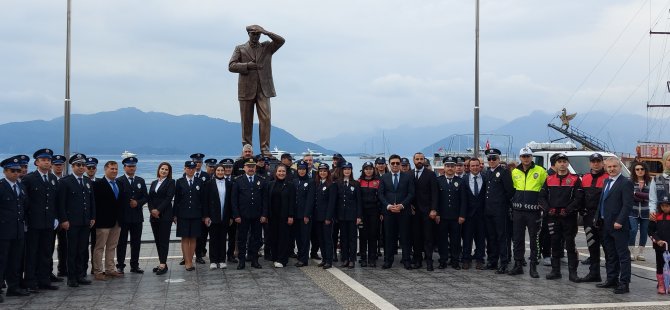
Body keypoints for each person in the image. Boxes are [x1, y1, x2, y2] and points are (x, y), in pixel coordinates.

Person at [229, 24, 285, 155]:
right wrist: (247, 65)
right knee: (246, 120)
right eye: (253, 34)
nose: (255, 36)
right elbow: (231, 66)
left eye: (258, 34)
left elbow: (281, 41)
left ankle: (265, 149)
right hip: (246, 89)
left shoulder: (266, 47)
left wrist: (266, 32)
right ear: (248, 34)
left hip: (264, 89)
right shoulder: (240, 48)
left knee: (266, 118)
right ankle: (247, 149)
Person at [538, 154, 583, 282]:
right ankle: (555, 271)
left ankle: (572, 273)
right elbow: (541, 197)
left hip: (568, 217)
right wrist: (548, 209)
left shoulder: (575, 179)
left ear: (567, 163)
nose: (562, 164)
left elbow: (578, 198)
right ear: (555, 164)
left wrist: (567, 210)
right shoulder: (549, 179)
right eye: (559, 162)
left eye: (564, 161)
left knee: (570, 244)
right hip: (553, 217)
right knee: (555, 243)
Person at [21, 149, 59, 292]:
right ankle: (30, 281)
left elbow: (55, 201)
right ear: (37, 162)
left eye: (48, 160)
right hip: (33, 222)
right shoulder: (29, 179)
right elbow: (24, 202)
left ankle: (44, 280)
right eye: (43, 160)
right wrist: (25, 220)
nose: (47, 162)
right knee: (32, 253)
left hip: (48, 222)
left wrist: (56, 217)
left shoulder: (53, 179)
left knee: (46, 252)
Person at [596, 157, 634, 294]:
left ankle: (624, 283)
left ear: (619, 167)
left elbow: (627, 205)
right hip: (606, 224)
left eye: (614, 166)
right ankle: (612, 279)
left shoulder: (626, 183)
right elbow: (602, 202)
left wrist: (620, 220)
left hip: (619, 225)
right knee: (610, 254)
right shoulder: (606, 181)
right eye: (609, 167)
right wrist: (598, 218)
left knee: (623, 255)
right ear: (605, 168)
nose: (612, 169)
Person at [57, 153, 96, 288]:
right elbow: (61, 203)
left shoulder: (87, 181)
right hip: (72, 222)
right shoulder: (65, 182)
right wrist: (63, 220)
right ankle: (71, 277)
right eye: (78, 165)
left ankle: (80, 275)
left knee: (82, 249)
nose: (81, 167)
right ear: (72, 166)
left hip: (85, 221)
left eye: (83, 165)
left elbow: (91, 201)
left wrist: (92, 217)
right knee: (71, 250)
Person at [509, 147, 547, 278]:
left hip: (533, 212)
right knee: (517, 239)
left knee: (534, 239)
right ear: (520, 158)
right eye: (523, 156)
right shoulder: (514, 172)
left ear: (532, 157)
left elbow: (545, 190)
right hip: (518, 211)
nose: (526, 159)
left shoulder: (540, 171)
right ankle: (518, 264)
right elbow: (512, 190)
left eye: (528, 156)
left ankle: (533, 266)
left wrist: (542, 205)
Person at [0, 156, 29, 300]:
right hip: (4, 231)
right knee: (2, 260)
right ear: (5, 171)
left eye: (18, 171)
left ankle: (13, 287)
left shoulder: (21, 187)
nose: (16, 173)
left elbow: (24, 207)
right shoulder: (1, 186)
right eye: (13, 170)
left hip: (18, 230)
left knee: (15, 260)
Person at [576, 153, 609, 283]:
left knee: (607, 247)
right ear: (590, 163)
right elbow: (581, 197)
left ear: (602, 163)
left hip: (603, 217)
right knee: (592, 246)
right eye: (593, 161)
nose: (596, 163)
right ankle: (594, 273)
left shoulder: (608, 178)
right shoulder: (585, 178)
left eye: (598, 161)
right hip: (588, 217)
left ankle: (611, 276)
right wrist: (580, 210)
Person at [379, 154, 415, 270]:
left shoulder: (408, 177)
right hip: (389, 212)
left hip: (403, 212)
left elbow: (411, 193)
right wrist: (389, 206)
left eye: (397, 163)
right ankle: (388, 260)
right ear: (389, 165)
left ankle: (406, 260)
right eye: (393, 163)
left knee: (405, 237)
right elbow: (381, 194)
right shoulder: (384, 177)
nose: (395, 165)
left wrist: (402, 205)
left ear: (400, 164)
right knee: (389, 237)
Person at [482, 148, 515, 274]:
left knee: (502, 237)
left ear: (498, 159)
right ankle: (492, 261)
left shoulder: (504, 172)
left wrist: (502, 203)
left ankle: (504, 263)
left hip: (500, 211)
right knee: (491, 237)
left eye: (494, 158)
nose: (491, 161)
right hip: (488, 210)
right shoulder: (487, 173)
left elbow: (510, 191)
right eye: (489, 159)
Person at [232, 158, 269, 269]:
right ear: (244, 168)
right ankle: (241, 260)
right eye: (249, 166)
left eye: (253, 166)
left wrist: (264, 214)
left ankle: (254, 260)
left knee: (256, 239)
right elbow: (234, 200)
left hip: (257, 216)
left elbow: (265, 200)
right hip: (243, 216)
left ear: (255, 167)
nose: (251, 168)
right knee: (242, 239)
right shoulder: (238, 180)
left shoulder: (261, 180)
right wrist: (236, 215)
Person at [91, 161, 124, 281]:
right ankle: (98, 271)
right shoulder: (98, 184)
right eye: (112, 169)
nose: (114, 171)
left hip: (117, 221)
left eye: (116, 169)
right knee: (99, 247)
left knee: (112, 246)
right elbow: (94, 203)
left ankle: (110, 269)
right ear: (105, 170)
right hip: (103, 221)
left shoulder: (119, 184)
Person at [116, 157, 148, 274]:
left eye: (133, 166)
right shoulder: (119, 181)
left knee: (136, 242)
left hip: (137, 217)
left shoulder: (140, 180)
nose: (131, 168)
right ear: (124, 167)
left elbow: (145, 197)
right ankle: (120, 265)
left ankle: (135, 265)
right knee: (121, 242)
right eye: (129, 166)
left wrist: (138, 203)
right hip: (123, 217)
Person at [174, 160, 206, 271]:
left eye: (193, 168)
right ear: (185, 169)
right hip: (183, 214)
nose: (191, 170)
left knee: (193, 238)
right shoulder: (179, 182)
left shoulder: (199, 182)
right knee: (185, 238)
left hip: (196, 214)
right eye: (189, 168)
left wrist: (204, 215)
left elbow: (203, 200)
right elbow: (176, 200)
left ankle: (190, 260)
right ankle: (187, 261)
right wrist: (175, 215)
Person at [436, 156, 466, 270]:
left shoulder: (461, 182)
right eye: (447, 166)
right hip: (442, 217)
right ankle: (443, 260)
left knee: (456, 240)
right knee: (442, 240)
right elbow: (436, 199)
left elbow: (464, 200)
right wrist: (437, 213)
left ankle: (455, 261)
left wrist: (462, 215)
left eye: (452, 166)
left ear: (455, 168)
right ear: (444, 167)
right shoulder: (438, 181)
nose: (450, 168)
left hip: (455, 217)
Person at [410, 152, 438, 271]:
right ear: (414, 160)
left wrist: (433, 209)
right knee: (416, 237)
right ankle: (417, 260)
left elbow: (435, 193)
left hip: (427, 211)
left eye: (421, 159)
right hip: (413, 211)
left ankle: (429, 261)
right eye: (417, 159)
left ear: (424, 160)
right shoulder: (408, 174)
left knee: (428, 237)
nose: (419, 161)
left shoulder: (430, 174)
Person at [147, 162, 175, 275]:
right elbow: (149, 198)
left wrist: (158, 210)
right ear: (159, 170)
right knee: (158, 241)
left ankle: (163, 264)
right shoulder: (154, 183)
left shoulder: (171, 182)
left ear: (169, 172)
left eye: (166, 170)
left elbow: (169, 198)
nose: (164, 171)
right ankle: (161, 262)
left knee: (164, 241)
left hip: (165, 216)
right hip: (154, 216)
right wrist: (152, 210)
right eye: (162, 169)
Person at [204, 164, 232, 270]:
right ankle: (213, 260)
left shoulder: (229, 184)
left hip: (225, 216)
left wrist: (231, 217)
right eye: (218, 170)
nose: (220, 172)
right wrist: (206, 216)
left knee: (223, 238)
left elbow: (230, 202)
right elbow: (205, 201)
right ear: (215, 171)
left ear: (224, 171)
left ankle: (221, 260)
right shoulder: (209, 184)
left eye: (222, 170)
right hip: (212, 216)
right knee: (213, 239)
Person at [266, 164, 295, 268]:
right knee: (273, 237)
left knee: (284, 238)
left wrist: (291, 215)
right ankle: (275, 257)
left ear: (286, 173)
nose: (281, 173)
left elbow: (292, 201)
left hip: (285, 216)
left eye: (283, 171)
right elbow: (267, 200)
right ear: (276, 172)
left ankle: (282, 259)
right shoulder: (270, 184)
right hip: (272, 216)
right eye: (279, 171)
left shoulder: (290, 185)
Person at [461, 157, 486, 270]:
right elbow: (462, 199)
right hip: (468, 215)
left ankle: (479, 259)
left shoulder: (485, 178)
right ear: (469, 167)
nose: (475, 168)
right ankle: (466, 259)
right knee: (467, 238)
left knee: (480, 238)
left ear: (480, 166)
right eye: (473, 166)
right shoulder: (464, 180)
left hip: (482, 214)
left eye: (477, 165)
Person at [335, 162, 362, 268]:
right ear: (342, 170)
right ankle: (345, 258)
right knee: (343, 238)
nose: (347, 171)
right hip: (341, 215)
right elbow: (336, 200)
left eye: (349, 169)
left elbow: (359, 201)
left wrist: (359, 216)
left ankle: (352, 259)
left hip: (352, 215)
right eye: (345, 169)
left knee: (352, 238)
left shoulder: (355, 184)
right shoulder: (338, 183)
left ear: (351, 170)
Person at [313, 163, 336, 269]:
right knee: (320, 239)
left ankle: (329, 260)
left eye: (325, 171)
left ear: (328, 172)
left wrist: (328, 217)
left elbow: (332, 203)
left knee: (327, 239)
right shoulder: (317, 184)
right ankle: (324, 258)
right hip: (317, 216)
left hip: (326, 217)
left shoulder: (331, 185)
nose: (322, 173)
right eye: (321, 171)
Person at [358, 161, 381, 267]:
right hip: (362, 212)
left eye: (370, 169)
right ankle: (363, 258)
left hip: (374, 212)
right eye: (366, 169)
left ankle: (372, 258)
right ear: (363, 170)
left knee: (373, 235)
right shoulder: (359, 182)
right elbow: (356, 199)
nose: (368, 171)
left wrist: (381, 212)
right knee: (362, 236)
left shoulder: (378, 181)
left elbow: (381, 198)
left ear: (373, 170)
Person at [293, 161, 314, 267]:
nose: (301, 171)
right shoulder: (295, 181)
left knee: (305, 238)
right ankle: (300, 255)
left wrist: (307, 215)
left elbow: (310, 200)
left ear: (306, 170)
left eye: (303, 169)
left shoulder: (310, 182)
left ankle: (304, 259)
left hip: (305, 215)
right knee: (298, 238)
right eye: (300, 169)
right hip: (295, 214)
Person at [629, 161, 651, 261]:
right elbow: (629, 196)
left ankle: (641, 253)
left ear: (645, 170)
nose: (640, 171)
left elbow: (651, 196)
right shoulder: (630, 182)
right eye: (637, 169)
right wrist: (643, 197)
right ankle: (631, 252)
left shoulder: (651, 182)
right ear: (634, 171)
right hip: (632, 211)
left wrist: (637, 195)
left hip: (646, 212)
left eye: (642, 169)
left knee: (644, 232)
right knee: (633, 230)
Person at [648, 194, 670, 294]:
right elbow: (650, 231)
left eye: (667, 206)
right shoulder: (656, 217)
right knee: (660, 264)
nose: (664, 208)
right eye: (662, 206)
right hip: (659, 246)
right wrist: (657, 240)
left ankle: (668, 284)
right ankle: (661, 284)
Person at [219, 158, 239, 264]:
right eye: (225, 167)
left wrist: (235, 215)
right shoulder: (217, 179)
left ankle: (230, 255)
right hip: (221, 213)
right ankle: (220, 255)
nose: (227, 169)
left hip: (233, 213)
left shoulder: (236, 180)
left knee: (232, 236)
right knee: (221, 236)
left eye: (230, 167)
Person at [650, 151, 670, 220]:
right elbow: (653, 198)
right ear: (664, 161)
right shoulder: (656, 179)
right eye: (669, 160)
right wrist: (652, 210)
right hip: (661, 216)